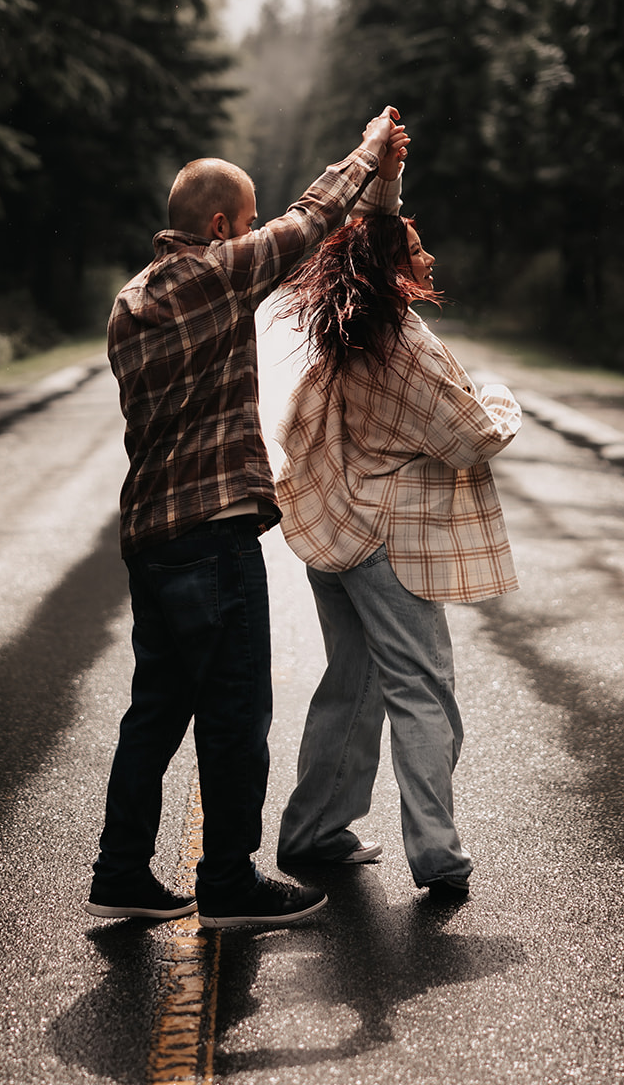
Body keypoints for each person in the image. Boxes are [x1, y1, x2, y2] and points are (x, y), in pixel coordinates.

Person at [87, 106, 409, 930]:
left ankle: (121, 870)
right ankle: (227, 882)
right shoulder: (216, 274)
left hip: (150, 538)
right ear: (223, 225)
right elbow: (311, 219)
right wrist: (369, 154)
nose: (256, 229)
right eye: (247, 218)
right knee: (234, 715)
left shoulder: (128, 301)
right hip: (211, 533)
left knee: (154, 711)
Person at [272, 210, 521, 899]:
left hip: (337, 527)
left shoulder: (352, 327)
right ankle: (437, 853)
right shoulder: (403, 342)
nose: (430, 256)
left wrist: (386, 161)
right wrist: (499, 395)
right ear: (389, 266)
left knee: (352, 685)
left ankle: (315, 831)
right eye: (415, 248)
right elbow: (471, 437)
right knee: (422, 690)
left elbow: (375, 218)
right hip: (387, 541)